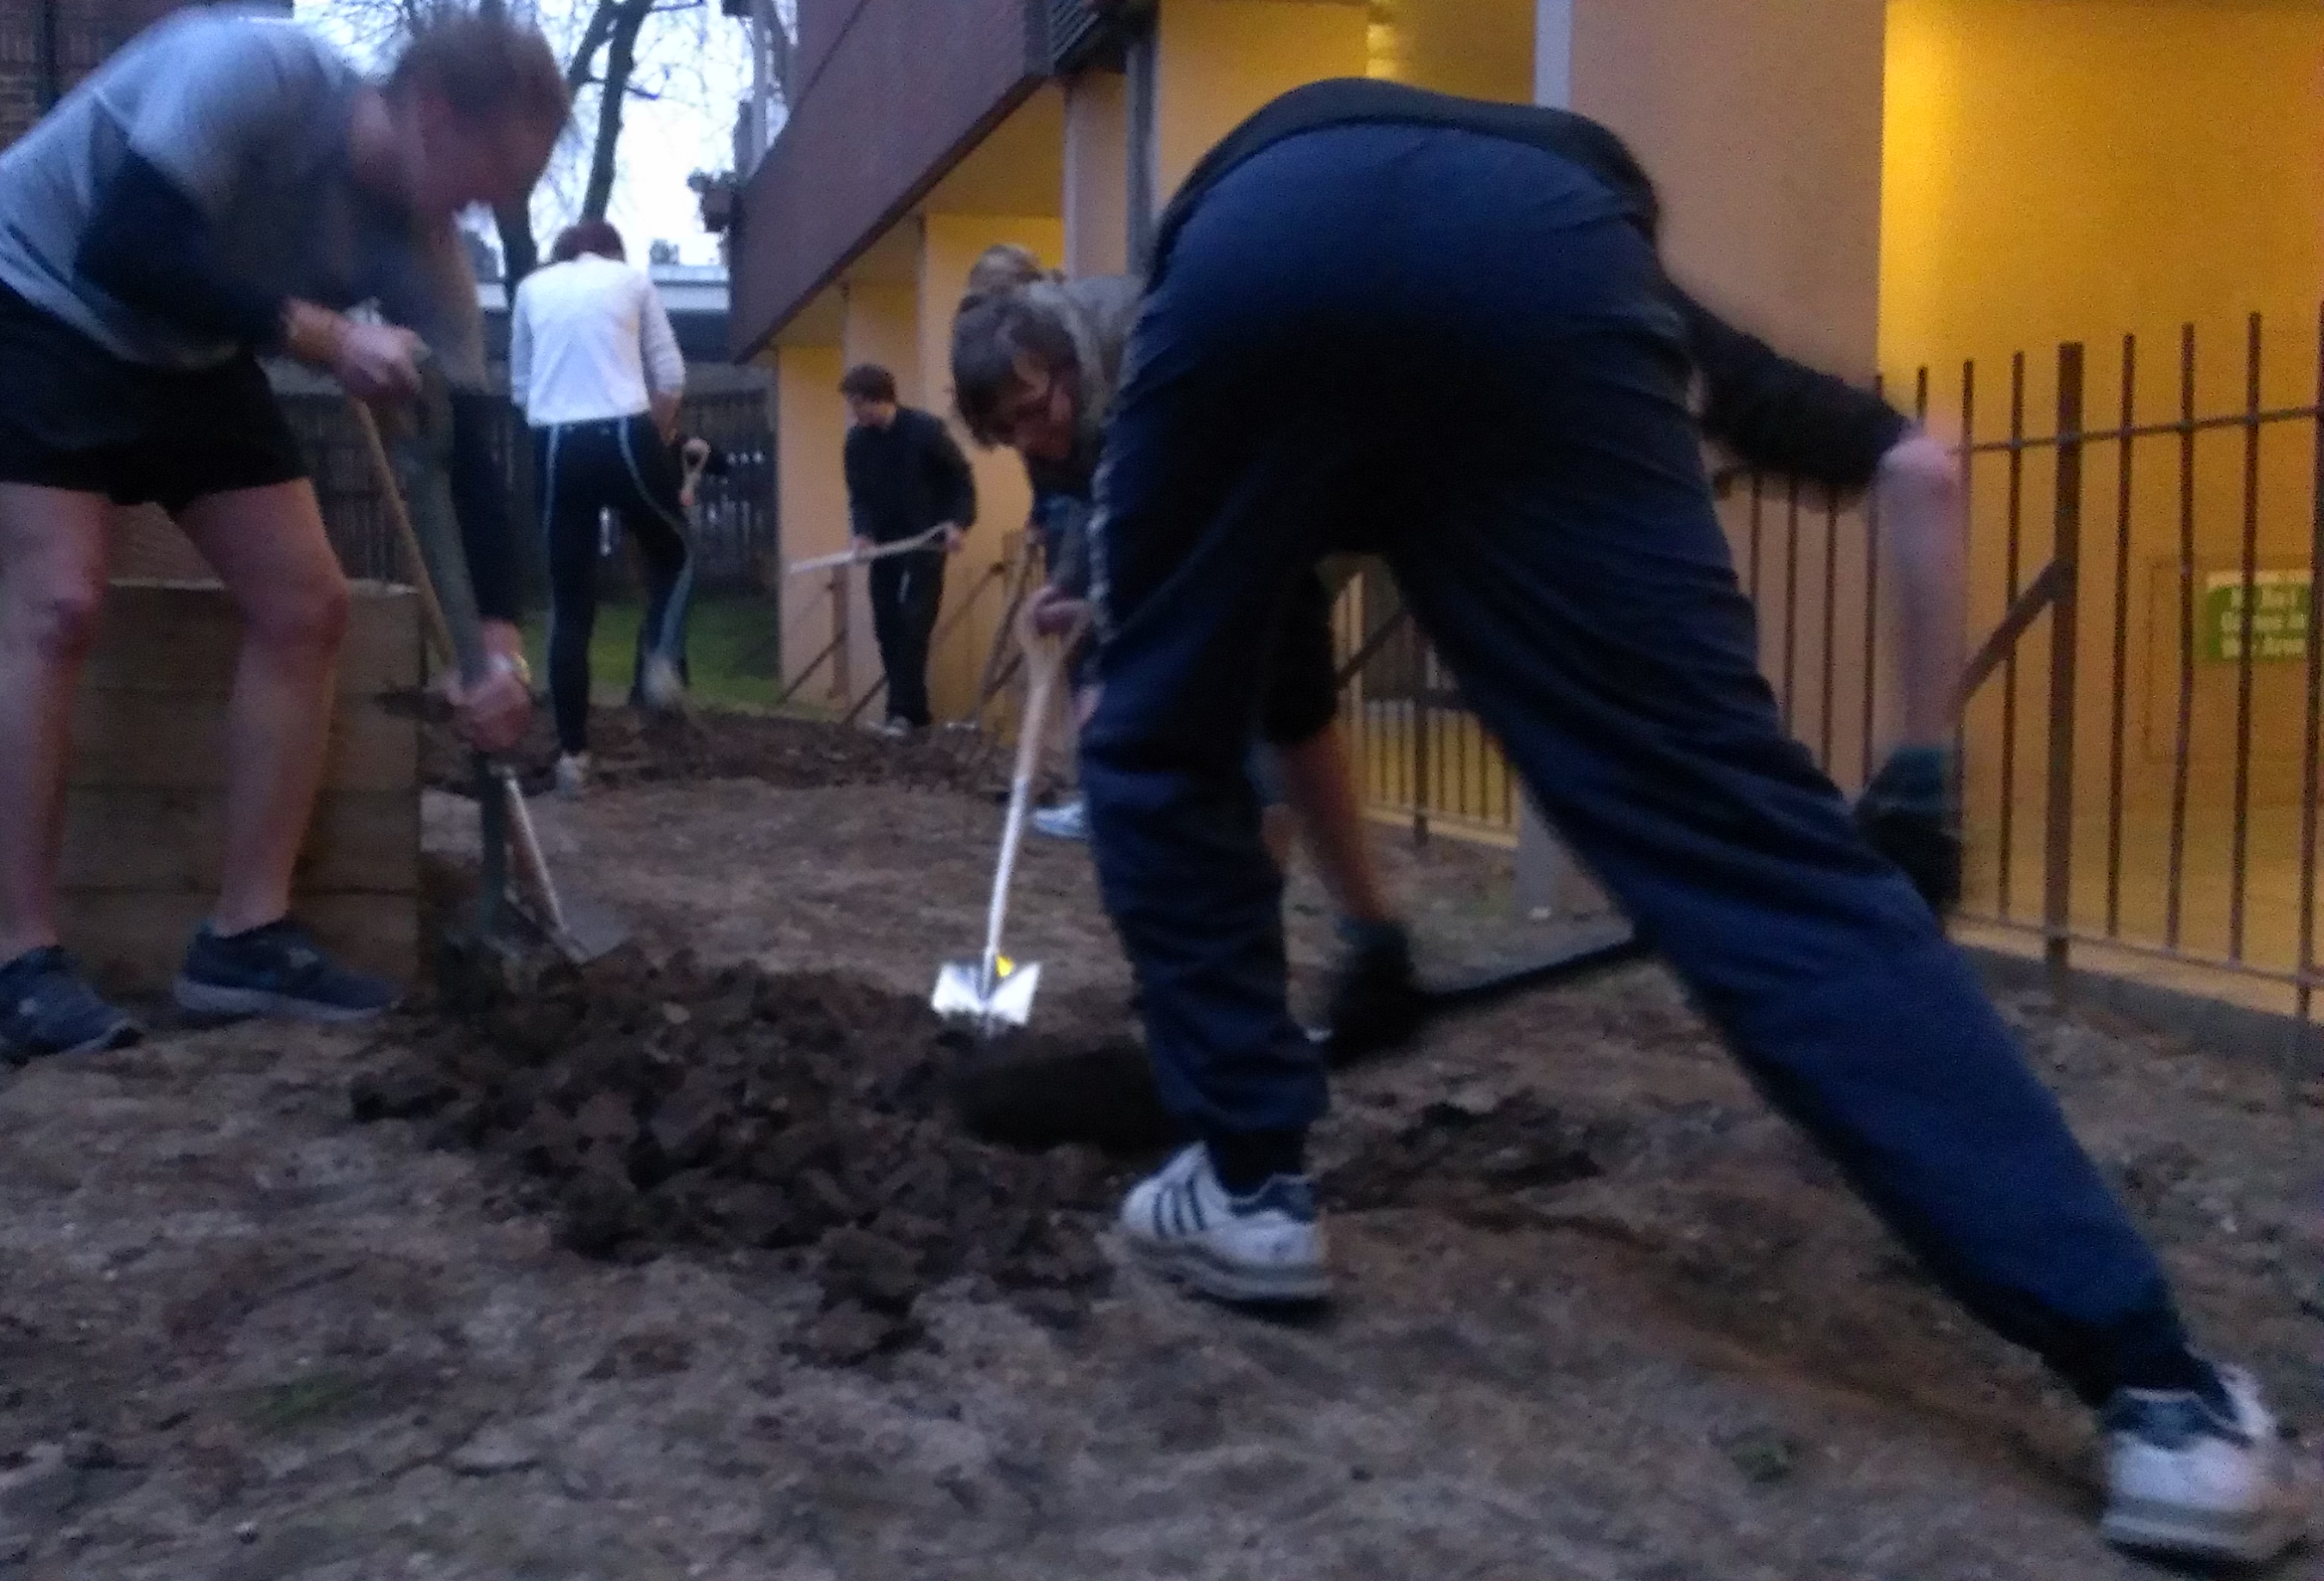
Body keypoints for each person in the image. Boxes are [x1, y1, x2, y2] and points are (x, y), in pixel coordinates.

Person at [1072, 77, 2305, 1565]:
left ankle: (1249, 1193)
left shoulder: (1229, 352)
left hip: (1250, 237)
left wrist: (1355, 954)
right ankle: (2159, 1409)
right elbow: (1918, 463)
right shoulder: (1627, 304)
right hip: (1553, 239)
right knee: (1737, 841)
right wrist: (1913, 782)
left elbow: (1245, 715)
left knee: (1146, 734)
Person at [0, 6, 560, 1059]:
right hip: (37, 295)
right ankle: (24, 960)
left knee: (306, 607)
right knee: (60, 601)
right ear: (430, 109)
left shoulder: (424, 250)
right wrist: (323, 335)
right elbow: (128, 243)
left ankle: (243, 938)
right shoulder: (255, 70)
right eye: (486, 174)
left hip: (190, 352)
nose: (487, 207)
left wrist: (496, 645)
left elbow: (467, 449)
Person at [947, 252, 1421, 1060]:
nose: (1031, 435)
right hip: (1221, 515)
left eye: (1034, 412)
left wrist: (1113, 624)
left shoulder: (1146, 364)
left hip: (1288, 482)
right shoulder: (1038, 389)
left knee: (1251, 729)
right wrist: (1067, 593)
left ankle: (1308, 952)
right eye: (1009, 429)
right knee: (1236, 730)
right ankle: (1212, 964)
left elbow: (1180, 527)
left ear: (1059, 364)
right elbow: (1087, 498)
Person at [509, 219, 693, 795]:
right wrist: (658, 438)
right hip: (624, 433)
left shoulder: (530, 289)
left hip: (555, 445)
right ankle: (661, 660)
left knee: (570, 606)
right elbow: (671, 375)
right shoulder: (631, 279)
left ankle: (573, 758)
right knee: (677, 550)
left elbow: (518, 386)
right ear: (610, 251)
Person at [839, 365, 976, 735]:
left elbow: (961, 479)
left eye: (859, 405)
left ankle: (899, 713)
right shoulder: (856, 443)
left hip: (927, 539)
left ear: (881, 400)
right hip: (883, 546)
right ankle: (914, 714)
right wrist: (862, 534)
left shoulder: (926, 431)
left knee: (915, 620)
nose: (856, 414)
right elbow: (859, 498)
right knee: (886, 622)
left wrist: (956, 523)